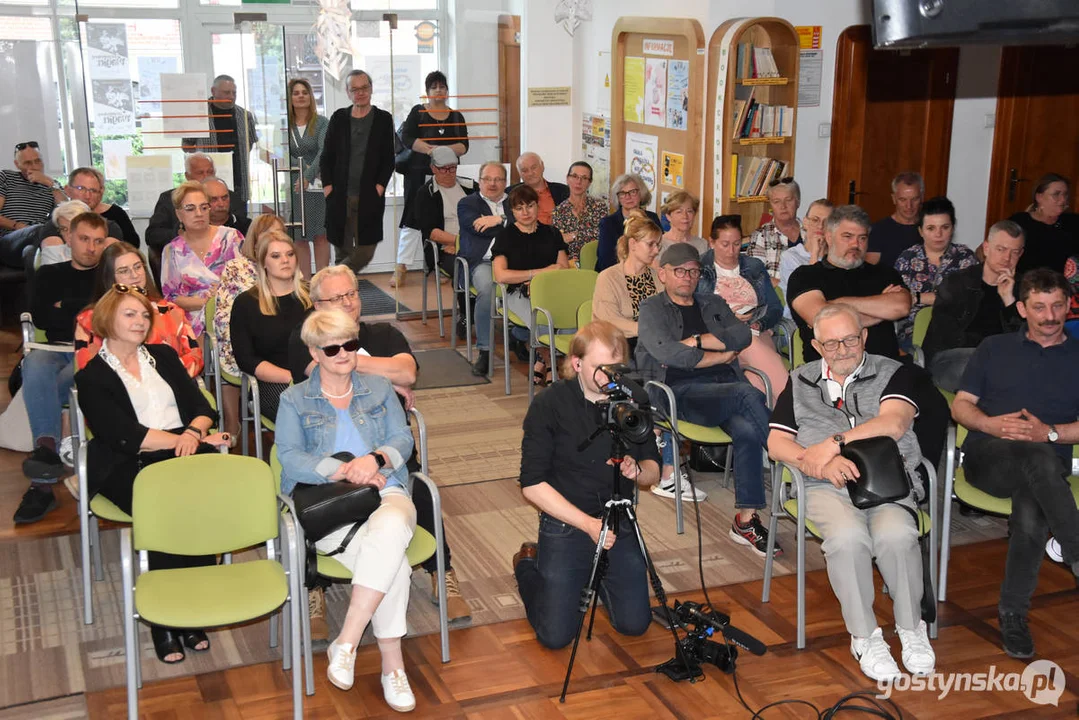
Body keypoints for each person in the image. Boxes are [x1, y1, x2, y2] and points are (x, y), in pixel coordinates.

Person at [287, 265, 472, 628]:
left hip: (387, 453)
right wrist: (382, 380)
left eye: (352, 294)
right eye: (336, 298)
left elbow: (408, 373)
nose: (347, 303)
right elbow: (323, 375)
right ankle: (316, 589)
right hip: (328, 458)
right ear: (316, 305)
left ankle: (442, 573)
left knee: (419, 484)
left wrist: (351, 360)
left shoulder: (384, 332)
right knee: (314, 501)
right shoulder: (303, 337)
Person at [767, 303, 935, 682]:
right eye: (831, 344)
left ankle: (911, 628)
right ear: (815, 345)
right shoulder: (800, 380)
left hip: (888, 481)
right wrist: (822, 464)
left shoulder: (896, 372)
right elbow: (777, 443)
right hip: (824, 485)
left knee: (897, 534)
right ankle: (865, 636)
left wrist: (835, 442)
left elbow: (893, 423)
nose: (841, 350)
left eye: (849, 340)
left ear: (864, 337)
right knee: (847, 539)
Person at [75, 286, 229, 664]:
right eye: (130, 314)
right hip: (128, 464)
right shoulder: (92, 376)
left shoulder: (162, 356)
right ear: (107, 319)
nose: (141, 321)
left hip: (185, 452)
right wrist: (191, 439)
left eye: (144, 315)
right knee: (168, 503)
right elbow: (125, 435)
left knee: (207, 497)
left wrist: (194, 434)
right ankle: (163, 618)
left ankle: (191, 606)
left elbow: (201, 405)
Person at [276, 310, 418, 711]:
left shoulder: (377, 386)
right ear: (314, 353)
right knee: (397, 565)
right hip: (332, 504)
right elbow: (289, 457)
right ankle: (393, 665)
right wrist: (343, 470)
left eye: (350, 344)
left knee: (391, 526)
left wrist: (374, 460)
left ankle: (348, 640)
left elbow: (401, 439)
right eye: (332, 347)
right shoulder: (294, 398)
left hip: (386, 490)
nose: (344, 353)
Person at [951, 269, 1079, 659]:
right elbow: (960, 406)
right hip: (990, 458)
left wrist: (1051, 434)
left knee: (1032, 508)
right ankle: (1075, 548)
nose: (1049, 315)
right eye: (1039, 307)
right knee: (1035, 459)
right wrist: (990, 424)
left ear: (1069, 305)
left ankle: (1012, 614)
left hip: (1047, 466)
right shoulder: (994, 347)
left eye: (1058, 305)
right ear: (1022, 308)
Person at [513, 320, 660, 649]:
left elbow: (654, 470)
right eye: (601, 368)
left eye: (617, 368)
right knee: (555, 637)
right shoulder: (549, 405)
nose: (612, 378)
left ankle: (593, 578)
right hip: (566, 522)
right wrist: (588, 525)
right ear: (577, 364)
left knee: (635, 624)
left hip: (618, 522)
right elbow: (531, 485)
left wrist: (639, 470)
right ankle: (526, 564)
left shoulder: (632, 402)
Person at [635, 243, 779, 557]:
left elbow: (741, 337)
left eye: (693, 271)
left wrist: (697, 341)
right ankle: (788, 458)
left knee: (748, 430)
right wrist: (719, 356)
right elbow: (667, 352)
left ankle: (746, 519)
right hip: (679, 395)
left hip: (724, 392)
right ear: (663, 274)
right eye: (679, 271)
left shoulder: (712, 302)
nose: (687, 277)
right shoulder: (652, 309)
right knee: (747, 393)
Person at [787, 204, 950, 469]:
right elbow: (820, 319)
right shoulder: (807, 276)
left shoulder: (883, 273)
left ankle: (917, 482)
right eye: (848, 236)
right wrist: (878, 309)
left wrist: (838, 304)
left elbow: (900, 307)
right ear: (828, 237)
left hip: (888, 367)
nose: (856, 244)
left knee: (934, 404)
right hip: (833, 370)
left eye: (862, 238)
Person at [14, 212, 107, 524]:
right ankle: (48, 448)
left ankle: (41, 482)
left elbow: (103, 323)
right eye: (84, 239)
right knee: (35, 362)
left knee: (46, 384)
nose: (91, 248)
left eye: (98, 241)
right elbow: (42, 318)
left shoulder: (108, 276)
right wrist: (82, 310)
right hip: (54, 349)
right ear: (69, 238)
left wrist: (65, 307)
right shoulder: (49, 274)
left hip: (93, 352)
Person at [922, 221, 1025, 392]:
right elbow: (945, 335)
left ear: (1021, 254)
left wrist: (1009, 301)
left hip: (1003, 364)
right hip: (952, 359)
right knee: (983, 365)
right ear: (986, 248)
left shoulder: (1023, 288)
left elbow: (1024, 341)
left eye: (1014, 252)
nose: (1007, 258)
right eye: (1001, 249)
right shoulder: (957, 282)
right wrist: (990, 349)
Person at [74, 242, 202, 377]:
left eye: (138, 267)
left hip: (172, 386)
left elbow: (195, 355)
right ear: (110, 278)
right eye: (124, 271)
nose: (134, 275)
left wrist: (165, 376)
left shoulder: (171, 311)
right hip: (118, 391)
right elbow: (88, 368)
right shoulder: (91, 318)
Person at [212, 213, 285, 438]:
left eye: (279, 233)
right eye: (267, 233)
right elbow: (223, 316)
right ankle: (234, 422)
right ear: (255, 237)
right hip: (246, 339)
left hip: (280, 341)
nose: (273, 238)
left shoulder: (288, 264)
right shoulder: (236, 267)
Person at [698, 214, 788, 398]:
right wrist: (727, 319)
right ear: (712, 242)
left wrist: (759, 324)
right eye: (725, 244)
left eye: (737, 244)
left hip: (757, 332)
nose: (732, 250)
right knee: (749, 342)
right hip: (720, 337)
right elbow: (694, 311)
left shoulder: (754, 266)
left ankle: (771, 420)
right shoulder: (699, 269)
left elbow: (774, 307)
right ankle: (794, 408)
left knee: (758, 381)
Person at [491, 183, 570, 386]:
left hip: (551, 290)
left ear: (538, 206)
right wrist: (539, 274)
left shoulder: (552, 233)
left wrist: (538, 282)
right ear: (512, 211)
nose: (525, 212)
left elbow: (562, 268)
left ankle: (541, 361)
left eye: (530, 206)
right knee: (542, 320)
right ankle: (552, 365)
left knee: (570, 322)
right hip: (516, 292)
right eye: (519, 208)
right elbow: (500, 275)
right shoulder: (505, 236)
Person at [396, 70, 470, 287]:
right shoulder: (418, 112)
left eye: (442, 87)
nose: (439, 90)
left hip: (447, 176)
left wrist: (443, 152)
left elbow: (464, 145)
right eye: (434, 87)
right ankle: (401, 266)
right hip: (419, 173)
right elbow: (407, 138)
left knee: (443, 219)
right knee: (411, 218)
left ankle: (440, 266)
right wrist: (430, 151)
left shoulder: (456, 116)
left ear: (447, 90)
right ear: (427, 91)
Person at [230, 231, 312, 422]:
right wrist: (293, 378)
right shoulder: (246, 303)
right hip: (274, 381)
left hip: (318, 375)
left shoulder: (312, 295)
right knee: (310, 415)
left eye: (290, 254)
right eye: (276, 256)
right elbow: (246, 359)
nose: (285, 260)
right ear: (263, 263)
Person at [321, 69, 395, 274]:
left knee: (366, 249)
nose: (360, 93)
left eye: (364, 88)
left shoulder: (383, 119)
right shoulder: (339, 118)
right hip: (339, 194)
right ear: (348, 92)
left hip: (369, 194)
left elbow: (389, 159)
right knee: (341, 248)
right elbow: (326, 156)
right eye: (355, 89)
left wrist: (379, 187)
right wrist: (328, 187)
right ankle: (341, 296)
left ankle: (334, 278)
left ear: (371, 89)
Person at [160, 180, 243, 338]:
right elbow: (170, 297)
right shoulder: (172, 251)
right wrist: (207, 303)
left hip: (232, 316)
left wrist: (220, 302)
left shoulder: (231, 238)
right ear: (179, 214)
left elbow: (247, 281)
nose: (199, 213)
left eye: (204, 207)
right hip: (191, 324)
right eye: (190, 209)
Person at [893, 197, 977, 349]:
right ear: (921, 231)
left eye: (944, 227)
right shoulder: (907, 258)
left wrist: (918, 297)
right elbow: (898, 300)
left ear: (952, 228)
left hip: (956, 334)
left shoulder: (965, 257)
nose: (938, 234)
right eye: (931, 228)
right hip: (911, 335)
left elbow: (965, 300)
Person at [411, 146, 476, 335]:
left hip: (471, 242)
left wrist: (464, 243)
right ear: (433, 168)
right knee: (462, 265)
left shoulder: (471, 187)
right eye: (443, 169)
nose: (448, 173)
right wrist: (458, 242)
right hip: (442, 248)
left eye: (452, 168)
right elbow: (431, 232)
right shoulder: (426, 193)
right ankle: (467, 315)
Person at [457, 161, 509, 376]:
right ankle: (485, 351)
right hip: (482, 262)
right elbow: (478, 230)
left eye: (498, 179)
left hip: (514, 261)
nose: (493, 184)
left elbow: (529, 221)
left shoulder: (515, 200)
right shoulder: (467, 203)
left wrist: (500, 218)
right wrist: (509, 224)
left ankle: (525, 341)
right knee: (488, 290)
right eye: (488, 179)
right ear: (479, 181)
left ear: (506, 182)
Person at [146, 153, 244, 260]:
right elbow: (152, 235)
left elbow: (241, 226)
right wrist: (183, 235)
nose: (206, 176)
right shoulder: (170, 199)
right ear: (188, 176)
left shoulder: (230, 197)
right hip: (184, 257)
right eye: (200, 173)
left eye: (210, 172)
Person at [591, 210, 663, 353]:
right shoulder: (608, 277)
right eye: (651, 244)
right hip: (616, 345)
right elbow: (610, 321)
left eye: (658, 245)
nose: (656, 251)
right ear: (633, 244)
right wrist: (648, 329)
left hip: (651, 343)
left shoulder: (658, 276)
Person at [182, 75, 259, 206]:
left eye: (234, 93)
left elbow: (250, 144)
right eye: (226, 92)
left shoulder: (245, 116)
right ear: (213, 91)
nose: (231, 96)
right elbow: (187, 146)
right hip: (207, 184)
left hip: (239, 182)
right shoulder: (198, 114)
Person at [287, 78, 330, 279]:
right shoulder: (284, 124)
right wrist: (301, 170)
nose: (301, 96)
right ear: (290, 98)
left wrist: (308, 175)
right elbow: (279, 152)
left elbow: (325, 151)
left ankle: (322, 280)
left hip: (317, 186)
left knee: (321, 235)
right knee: (299, 237)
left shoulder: (321, 122)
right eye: (296, 93)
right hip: (295, 187)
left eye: (305, 92)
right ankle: (304, 282)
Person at [1012, 173, 1079, 277]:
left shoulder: (1072, 222)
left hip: (1065, 287)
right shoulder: (1020, 222)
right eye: (1056, 194)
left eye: (1065, 194)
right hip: (1028, 285)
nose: (1063, 200)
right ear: (1039, 197)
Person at [596, 173, 662, 271]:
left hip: (648, 272)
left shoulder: (652, 218)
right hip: (616, 275)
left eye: (633, 192)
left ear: (641, 193)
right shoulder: (608, 223)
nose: (628, 197)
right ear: (618, 198)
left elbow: (659, 250)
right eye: (622, 193)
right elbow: (606, 260)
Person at [779, 199, 833, 316]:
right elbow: (808, 293)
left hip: (831, 316)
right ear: (805, 222)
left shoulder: (836, 258)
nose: (820, 226)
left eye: (827, 222)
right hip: (799, 319)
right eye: (815, 220)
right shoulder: (791, 257)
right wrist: (814, 253)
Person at [746, 178, 804, 283]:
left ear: (798, 202)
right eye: (776, 201)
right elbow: (755, 276)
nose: (783, 206)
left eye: (788, 200)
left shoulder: (810, 232)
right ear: (771, 205)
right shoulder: (761, 236)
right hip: (776, 296)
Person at [63, 166, 139, 246]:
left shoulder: (115, 216)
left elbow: (132, 244)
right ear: (67, 190)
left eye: (93, 190)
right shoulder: (60, 217)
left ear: (101, 192)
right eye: (81, 188)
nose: (87, 196)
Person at [0, 141, 62, 237]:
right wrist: (16, 225)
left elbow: (67, 209)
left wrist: (50, 183)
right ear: (17, 164)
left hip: (40, 235)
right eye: (28, 163)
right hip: (11, 236)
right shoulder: (6, 177)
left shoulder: (53, 185)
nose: (34, 167)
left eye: (38, 161)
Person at [551, 161, 606, 262]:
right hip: (570, 263)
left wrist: (573, 235)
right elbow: (560, 242)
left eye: (584, 178)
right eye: (575, 176)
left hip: (595, 260)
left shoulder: (599, 206)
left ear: (589, 182)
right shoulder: (558, 211)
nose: (579, 181)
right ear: (567, 179)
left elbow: (602, 235)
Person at [867, 172, 924, 268]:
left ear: (922, 197)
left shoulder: (930, 229)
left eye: (914, 199)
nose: (909, 206)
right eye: (903, 200)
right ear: (894, 199)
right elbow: (869, 270)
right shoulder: (878, 230)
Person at [505, 152, 569, 226]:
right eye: (525, 170)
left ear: (542, 166)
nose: (530, 173)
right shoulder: (510, 193)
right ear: (519, 173)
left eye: (533, 167)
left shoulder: (564, 191)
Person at [36, 200, 92, 266]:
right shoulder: (52, 253)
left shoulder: (102, 254)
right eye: (64, 229)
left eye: (74, 228)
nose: (69, 234)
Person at [659, 191, 709, 260]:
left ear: (694, 215)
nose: (685, 216)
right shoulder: (659, 244)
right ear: (668, 217)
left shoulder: (702, 244)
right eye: (679, 212)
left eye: (689, 211)